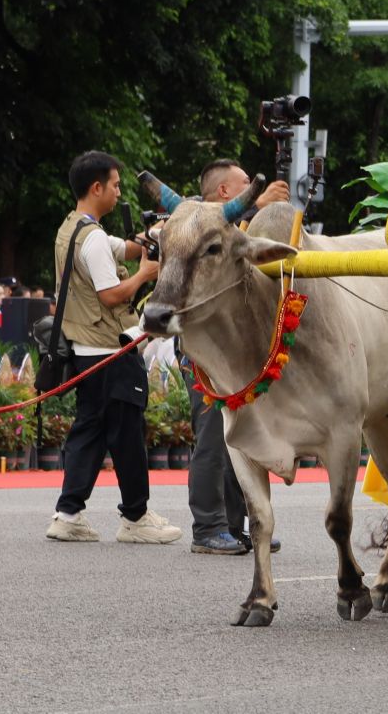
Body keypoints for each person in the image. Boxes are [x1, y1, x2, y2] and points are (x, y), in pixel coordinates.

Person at [45, 151, 178, 545]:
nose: (120, 193)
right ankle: (136, 517)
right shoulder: (95, 239)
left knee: (89, 431)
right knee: (127, 436)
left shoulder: (73, 228)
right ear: (97, 187)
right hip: (114, 350)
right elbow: (109, 294)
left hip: (86, 351)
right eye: (116, 186)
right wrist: (144, 275)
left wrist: (152, 239)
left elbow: (119, 247)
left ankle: (68, 514)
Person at [187, 159, 288, 556]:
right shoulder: (193, 224)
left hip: (236, 352)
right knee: (213, 439)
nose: (251, 185)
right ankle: (207, 527)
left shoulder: (233, 225)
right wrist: (256, 204)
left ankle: (235, 525)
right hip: (208, 352)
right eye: (245, 182)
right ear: (225, 193)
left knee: (239, 441)